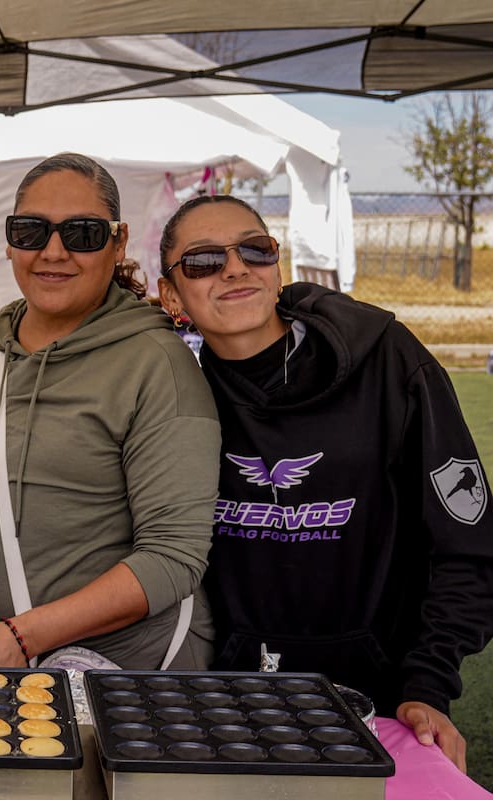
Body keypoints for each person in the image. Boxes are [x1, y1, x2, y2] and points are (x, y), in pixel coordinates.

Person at [157, 193, 493, 772]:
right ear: (171, 294)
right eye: (204, 260)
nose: (235, 268)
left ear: (277, 264)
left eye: (254, 250)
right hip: (221, 703)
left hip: (380, 701)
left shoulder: (388, 360)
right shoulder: (169, 390)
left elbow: (468, 544)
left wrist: (429, 682)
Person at [0, 153, 220, 669]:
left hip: (131, 676)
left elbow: (173, 558)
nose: (53, 252)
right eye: (32, 231)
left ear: (118, 242)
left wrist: (22, 634)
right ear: (11, 241)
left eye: (82, 233)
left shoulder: (156, 364)